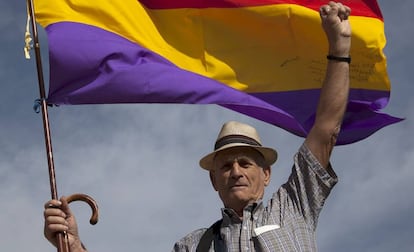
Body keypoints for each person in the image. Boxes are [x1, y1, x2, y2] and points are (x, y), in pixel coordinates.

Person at [43, 1, 351, 251]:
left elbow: (326, 129)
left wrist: (339, 48)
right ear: (213, 179)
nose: (236, 171)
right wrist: (71, 244)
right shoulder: (193, 246)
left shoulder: (294, 206)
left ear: (266, 173)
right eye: (226, 165)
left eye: (245, 162)